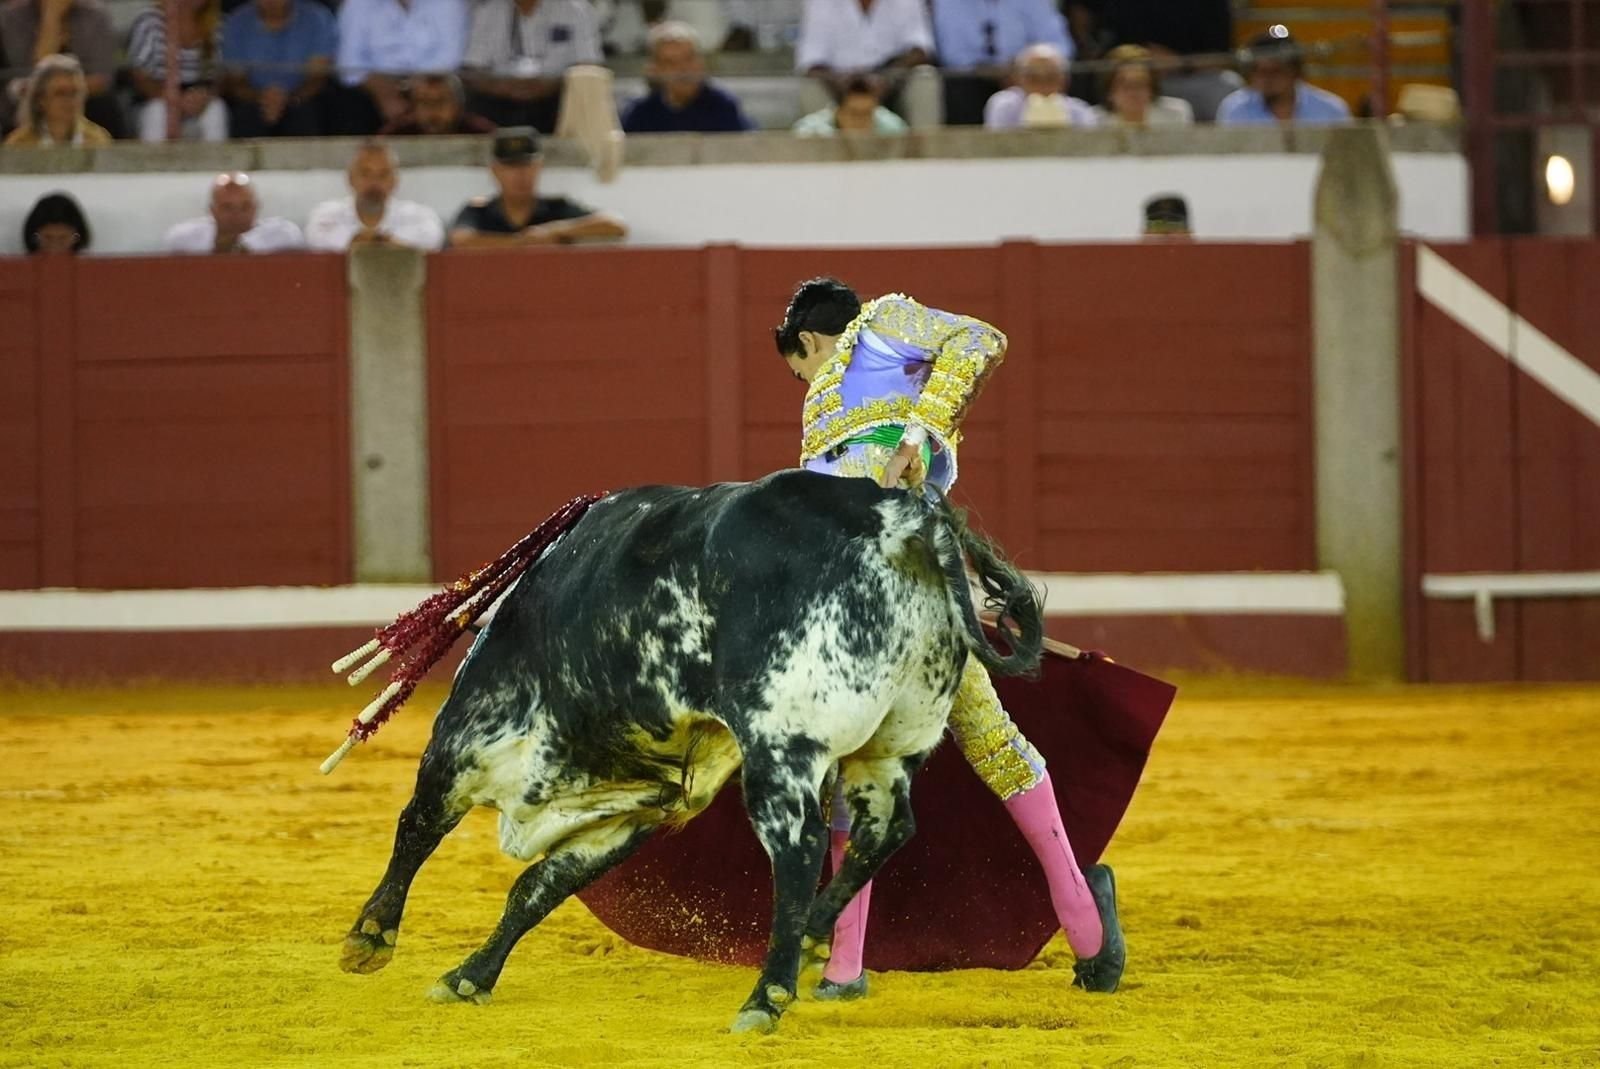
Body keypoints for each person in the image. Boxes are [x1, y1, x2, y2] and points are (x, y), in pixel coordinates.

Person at [772, 277, 1125, 999]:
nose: (804, 384)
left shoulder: (883, 324)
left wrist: (917, 430)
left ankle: (1085, 916)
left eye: (799, 367)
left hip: (920, 576)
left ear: (807, 343)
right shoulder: (819, 429)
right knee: (864, 755)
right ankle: (845, 965)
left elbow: (980, 338)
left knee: (983, 736)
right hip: (863, 588)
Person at [447, 126, 626, 247]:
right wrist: (522, 243)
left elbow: (615, 225)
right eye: (511, 167)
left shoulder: (556, 207)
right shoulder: (479, 211)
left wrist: (556, 230)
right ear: (495, 171)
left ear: (538, 167)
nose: (520, 175)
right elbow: (460, 239)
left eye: (526, 166)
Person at [1064, 0, 1239, 122]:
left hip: (1184, 76)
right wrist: (1088, 47)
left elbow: (1224, 58)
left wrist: (1180, 62)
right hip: (1115, 76)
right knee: (1080, 74)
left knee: (1225, 85)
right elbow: (1080, 11)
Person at [795, 0, 940, 129]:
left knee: (925, 77)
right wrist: (847, 85)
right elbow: (811, 61)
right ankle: (820, 152)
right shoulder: (819, 3)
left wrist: (886, 78)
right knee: (810, 85)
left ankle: (926, 151)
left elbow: (921, 49)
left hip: (891, 81)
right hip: (838, 85)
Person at [461, 0, 600, 133]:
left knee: (583, 94)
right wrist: (501, 87)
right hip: (501, 99)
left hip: (556, 97)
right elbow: (472, 70)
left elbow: (589, 66)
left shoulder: (576, 9)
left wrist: (552, 85)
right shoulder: (488, 12)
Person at [335, 0, 468, 134]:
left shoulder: (449, 3)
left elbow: (450, 59)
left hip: (433, 82)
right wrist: (383, 93)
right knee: (348, 106)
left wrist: (414, 90)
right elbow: (349, 63)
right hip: (376, 82)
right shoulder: (357, 4)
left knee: (441, 101)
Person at [931, 0, 1072, 126]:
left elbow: (1059, 46)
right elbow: (952, 53)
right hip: (972, 77)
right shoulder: (948, 2)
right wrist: (991, 71)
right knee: (959, 88)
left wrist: (1022, 65)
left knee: (1047, 79)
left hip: (1025, 74)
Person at [0, 0, 123, 136]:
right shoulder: (12, 16)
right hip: (29, 95)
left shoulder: (95, 15)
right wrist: (51, 19)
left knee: (104, 105)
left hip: (86, 95)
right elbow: (29, 72)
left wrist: (64, 91)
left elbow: (102, 77)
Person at [219, 0, 337, 137]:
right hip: (253, 99)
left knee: (307, 115)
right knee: (246, 117)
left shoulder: (317, 18)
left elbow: (317, 77)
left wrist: (290, 99)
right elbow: (236, 80)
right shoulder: (237, 21)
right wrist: (263, 99)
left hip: (302, 98)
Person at [305, 139, 446, 251]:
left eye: (383, 174)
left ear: (394, 181)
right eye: (365, 174)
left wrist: (374, 241)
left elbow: (433, 238)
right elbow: (316, 239)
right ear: (350, 179)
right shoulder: (326, 214)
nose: (374, 183)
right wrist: (384, 243)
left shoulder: (419, 215)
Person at [620, 21, 753, 134]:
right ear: (656, 70)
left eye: (688, 58)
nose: (683, 69)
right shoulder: (640, 113)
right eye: (671, 62)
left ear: (701, 62)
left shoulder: (723, 106)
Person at [126, 0, 228, 142]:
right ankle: (152, 163)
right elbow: (139, 75)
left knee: (216, 110)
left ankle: (217, 163)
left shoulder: (217, 25)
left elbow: (220, 78)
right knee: (158, 112)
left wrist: (205, 96)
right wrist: (173, 99)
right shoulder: (149, 21)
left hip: (198, 95)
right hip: (157, 95)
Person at [1217, 28, 1351, 126]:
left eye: (1276, 71)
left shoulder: (1331, 110)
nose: (1268, 78)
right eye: (1260, 71)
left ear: (1295, 72)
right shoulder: (1234, 108)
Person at [164, 172, 306, 253]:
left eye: (245, 206)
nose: (237, 214)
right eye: (227, 207)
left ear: (256, 208)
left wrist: (240, 246)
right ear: (212, 211)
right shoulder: (184, 237)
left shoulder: (283, 234)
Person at [3, 52, 112, 145]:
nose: (70, 100)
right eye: (60, 93)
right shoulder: (19, 144)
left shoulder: (98, 140)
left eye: (75, 93)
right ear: (41, 99)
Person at [983, 42, 1095, 130]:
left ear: (1064, 81)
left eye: (1050, 78)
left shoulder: (1079, 112)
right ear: (1018, 79)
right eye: (1033, 79)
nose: (1042, 85)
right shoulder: (1004, 106)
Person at [1092, 44, 1192, 126]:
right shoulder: (1094, 122)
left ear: (1152, 88)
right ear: (1109, 91)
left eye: (1140, 83)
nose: (1133, 92)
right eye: (1125, 85)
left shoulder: (1175, 115)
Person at [792, 73, 907, 137]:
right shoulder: (812, 131)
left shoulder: (892, 128)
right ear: (838, 111)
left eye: (867, 114)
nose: (861, 121)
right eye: (855, 113)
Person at [379, 73, 495, 135]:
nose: (432, 109)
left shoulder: (482, 134)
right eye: (424, 102)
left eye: (441, 101)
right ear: (413, 107)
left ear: (457, 106)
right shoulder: (396, 136)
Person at [22, 191, 90, 254]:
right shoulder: (20, 265)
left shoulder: (90, 265)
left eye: (62, 238)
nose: (54, 247)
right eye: (48, 238)